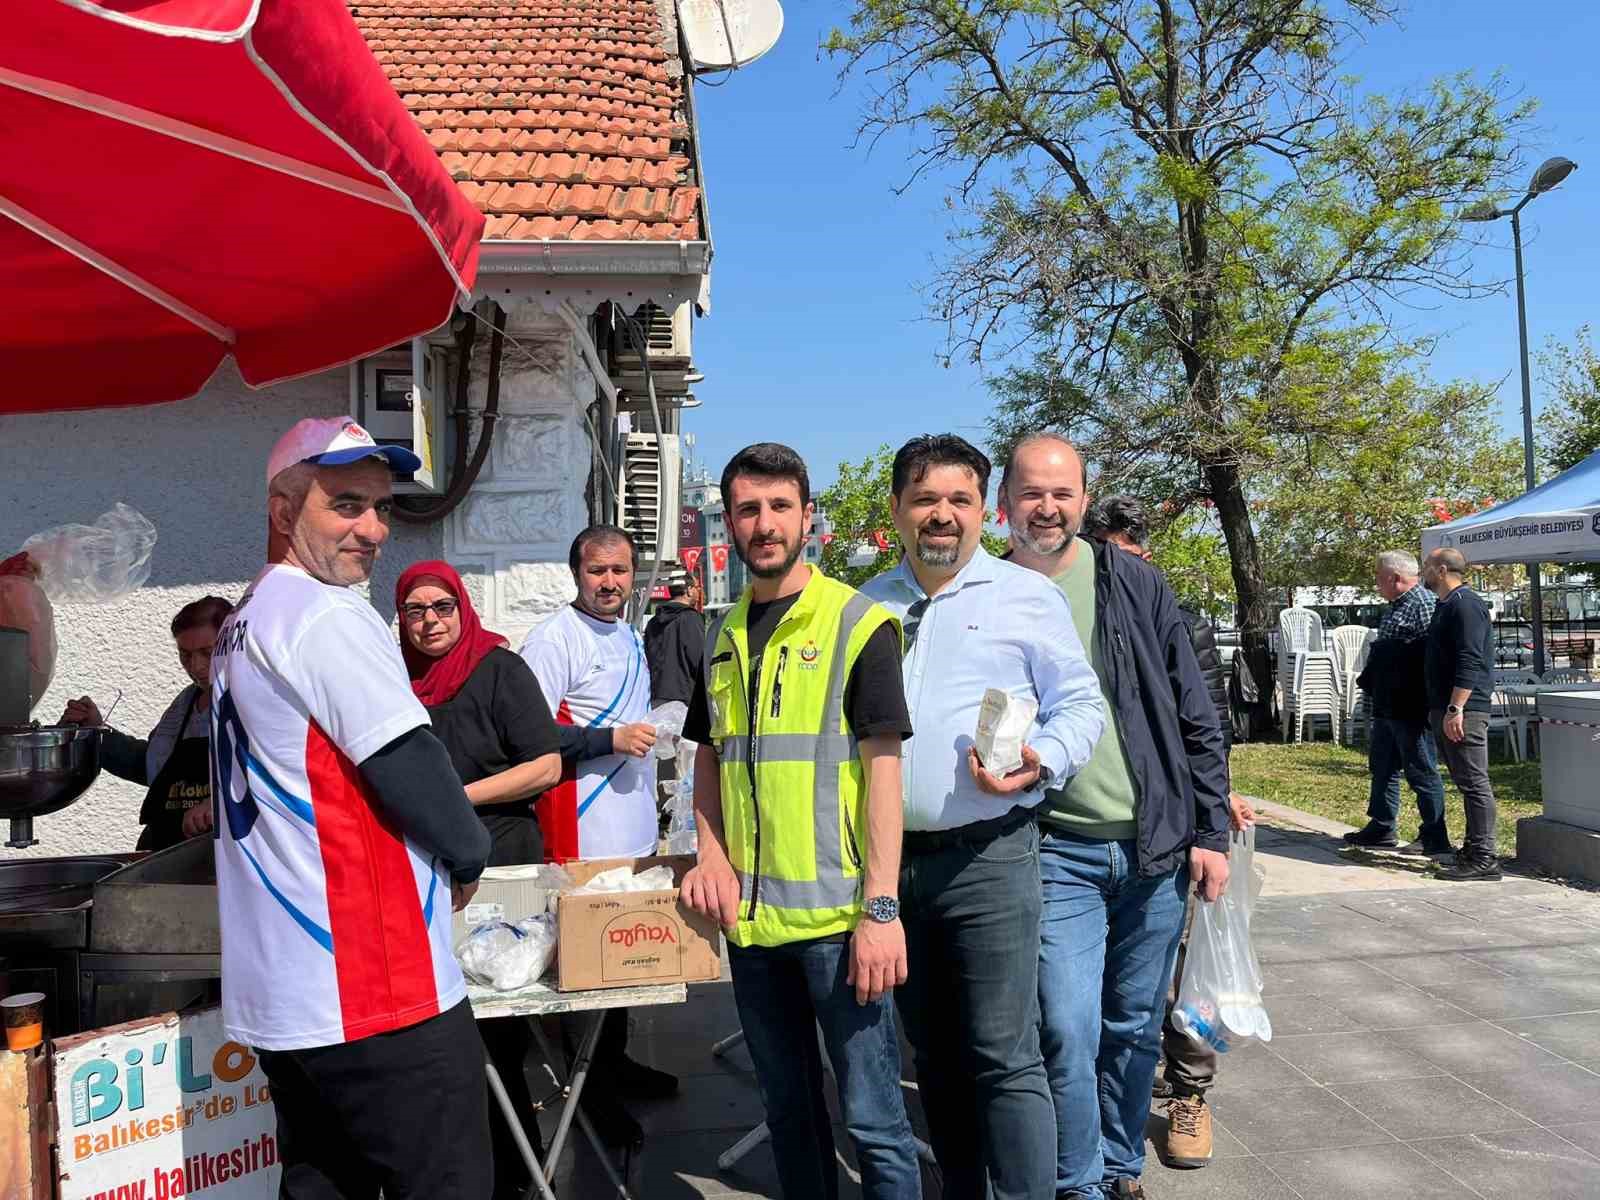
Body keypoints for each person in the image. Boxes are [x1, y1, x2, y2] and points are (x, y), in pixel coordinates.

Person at [209, 416, 493, 1199]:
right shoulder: (325, 615)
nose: (371, 528)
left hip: (286, 994)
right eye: (345, 504)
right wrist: (470, 854)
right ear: (283, 509)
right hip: (373, 987)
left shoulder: (243, 621)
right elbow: (409, 764)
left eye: (380, 506)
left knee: (319, 1181)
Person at [859, 434, 1104, 1200]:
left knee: (1005, 1053)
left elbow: (1081, 704)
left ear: (982, 511)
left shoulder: (1026, 597)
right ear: (896, 511)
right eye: (925, 499)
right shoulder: (865, 607)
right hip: (894, 865)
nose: (942, 515)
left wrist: (1045, 758)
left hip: (992, 859)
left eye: (959, 499)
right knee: (931, 1054)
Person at [679, 442, 921, 1200]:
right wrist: (709, 854)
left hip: (839, 925)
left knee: (876, 1120)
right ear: (730, 523)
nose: (765, 523)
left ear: (807, 516)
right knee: (788, 1111)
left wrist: (882, 909)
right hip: (754, 930)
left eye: (780, 506)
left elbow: (886, 774)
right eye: (748, 509)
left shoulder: (858, 623)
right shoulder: (722, 637)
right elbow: (711, 758)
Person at [1000, 435, 1231, 1200]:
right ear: (1007, 501)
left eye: (1063, 493)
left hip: (1154, 845)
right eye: (1033, 492)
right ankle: (1079, 1182)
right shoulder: (989, 590)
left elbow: (1196, 712)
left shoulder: (1134, 583)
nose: (1048, 507)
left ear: (1085, 499)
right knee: (1066, 1026)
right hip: (1054, 847)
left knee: (1132, 1026)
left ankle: (1120, 1164)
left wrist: (1210, 832)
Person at [1080, 493, 1255, 1171]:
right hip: (1093, 830)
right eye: (1109, 557)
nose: (1122, 573)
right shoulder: (1066, 613)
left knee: (1179, 976)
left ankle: (1190, 1092)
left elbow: (1207, 724)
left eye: (1131, 557)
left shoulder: (1177, 617)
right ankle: (1104, 1103)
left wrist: (1216, 809)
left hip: (1171, 826)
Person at [396, 559, 562, 1200]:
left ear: (463, 609)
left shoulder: (499, 669)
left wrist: (453, 797)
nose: (431, 622)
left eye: (443, 607)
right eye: (416, 610)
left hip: (500, 866)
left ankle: (518, 1171)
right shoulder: (392, 678)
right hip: (423, 871)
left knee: (496, 1031)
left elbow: (544, 765)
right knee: (438, 1037)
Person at [518, 525, 674, 1150]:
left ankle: (616, 1062)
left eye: (620, 571)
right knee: (588, 963)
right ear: (575, 572)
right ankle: (590, 1094)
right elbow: (525, 734)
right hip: (581, 825)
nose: (609, 583)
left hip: (631, 822)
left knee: (623, 954)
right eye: (596, 572)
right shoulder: (555, 638)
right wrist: (607, 741)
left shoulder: (630, 631)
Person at [61, 595, 232, 851]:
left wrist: (221, 802)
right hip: (164, 849)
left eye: (207, 653)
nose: (195, 666)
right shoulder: (185, 703)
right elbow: (153, 767)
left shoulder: (252, 702)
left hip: (218, 856)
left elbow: (277, 774)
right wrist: (97, 731)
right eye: (185, 655)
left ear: (232, 643)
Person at [1349, 550, 1451, 857]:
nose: (1377, 584)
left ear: (1395, 578)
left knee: (1421, 769)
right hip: (1387, 702)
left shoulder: (1423, 603)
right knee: (1382, 766)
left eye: (1379, 578)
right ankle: (1382, 826)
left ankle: (1435, 835)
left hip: (1410, 705)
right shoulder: (1396, 606)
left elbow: (1431, 656)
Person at [1422, 547, 1501, 881]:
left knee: (1474, 781)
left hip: (1465, 709)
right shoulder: (1447, 605)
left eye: (1426, 566)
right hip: (1448, 706)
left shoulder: (1466, 605)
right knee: (1465, 780)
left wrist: (1456, 708)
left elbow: (1470, 659)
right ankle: (1472, 849)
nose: (1422, 571)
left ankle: (1485, 856)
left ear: (1441, 570)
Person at [644, 575, 705, 707]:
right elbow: (699, 660)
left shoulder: (653, 622)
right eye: (697, 587)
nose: (699, 592)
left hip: (655, 696)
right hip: (683, 698)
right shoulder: (690, 618)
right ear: (688, 590)